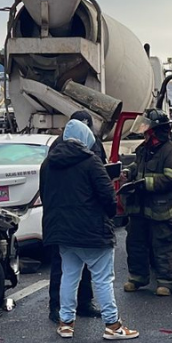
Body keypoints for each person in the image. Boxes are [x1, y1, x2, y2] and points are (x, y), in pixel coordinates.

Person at [40, 119, 138, 340]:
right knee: (103, 278)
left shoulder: (48, 164)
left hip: (62, 232)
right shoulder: (91, 162)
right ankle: (112, 325)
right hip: (92, 231)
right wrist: (109, 215)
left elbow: (45, 196)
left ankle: (66, 323)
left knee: (69, 276)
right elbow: (107, 197)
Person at [121, 108, 172, 297]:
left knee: (162, 245)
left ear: (155, 130)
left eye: (146, 127)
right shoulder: (144, 148)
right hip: (139, 207)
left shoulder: (171, 152)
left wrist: (145, 183)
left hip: (161, 208)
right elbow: (138, 165)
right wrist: (128, 172)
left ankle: (167, 282)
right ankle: (137, 278)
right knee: (135, 242)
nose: (143, 130)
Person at [47, 111, 103, 323]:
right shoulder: (59, 149)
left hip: (69, 215)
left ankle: (82, 303)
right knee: (64, 266)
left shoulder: (90, 144)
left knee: (78, 266)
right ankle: (58, 307)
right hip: (75, 214)